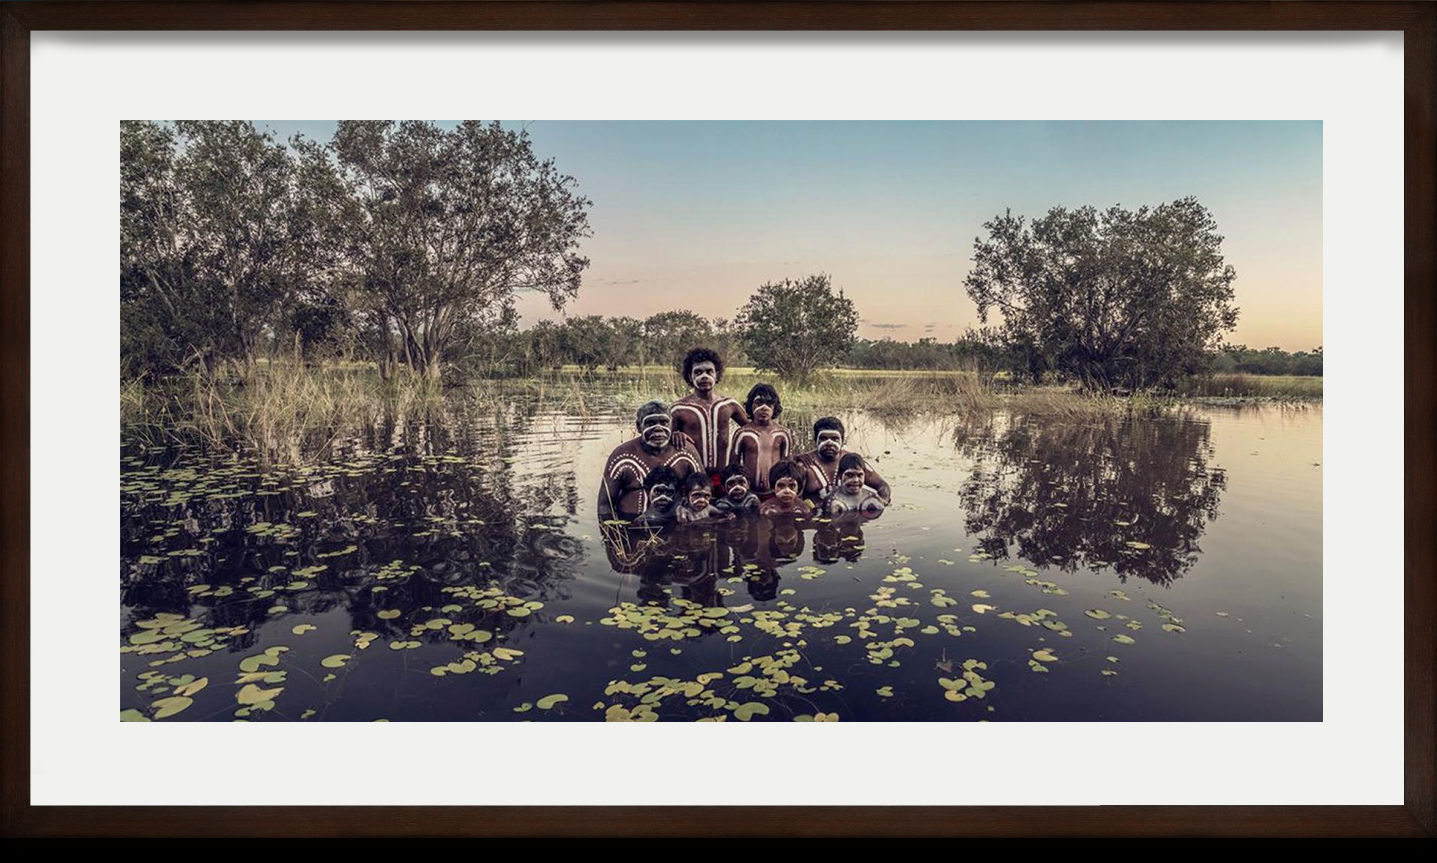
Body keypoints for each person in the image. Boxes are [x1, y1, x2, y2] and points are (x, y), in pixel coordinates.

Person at [597, 401, 703, 521]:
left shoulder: (686, 451)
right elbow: (604, 506)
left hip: (675, 523)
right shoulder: (622, 455)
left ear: (671, 425)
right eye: (650, 423)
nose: (658, 428)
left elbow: (704, 492)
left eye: (664, 422)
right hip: (631, 524)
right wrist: (611, 533)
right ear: (639, 427)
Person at [670, 348, 749, 483]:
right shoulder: (678, 409)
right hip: (691, 477)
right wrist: (674, 435)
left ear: (716, 375)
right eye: (698, 372)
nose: (704, 376)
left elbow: (754, 428)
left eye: (709, 371)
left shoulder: (729, 405)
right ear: (690, 377)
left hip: (724, 476)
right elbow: (662, 441)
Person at [797, 416, 892, 505]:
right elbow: (792, 497)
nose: (829, 443)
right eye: (823, 438)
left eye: (835, 439)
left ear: (842, 441)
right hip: (815, 517)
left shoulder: (853, 461)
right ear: (815, 440)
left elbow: (882, 485)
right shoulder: (804, 463)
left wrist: (882, 502)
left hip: (849, 514)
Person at [730, 383, 793, 493]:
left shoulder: (783, 433)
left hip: (775, 492)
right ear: (750, 405)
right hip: (749, 491)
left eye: (769, 404)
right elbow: (733, 465)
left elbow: (789, 466)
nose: (764, 408)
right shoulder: (742, 433)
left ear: (775, 407)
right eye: (758, 403)